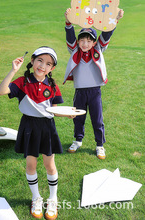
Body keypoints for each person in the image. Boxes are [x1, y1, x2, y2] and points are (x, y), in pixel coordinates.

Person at [0, 47, 64, 219]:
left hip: (47, 127)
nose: (43, 66)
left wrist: (68, 114)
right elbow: (1, 91)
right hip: (28, 126)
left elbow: (55, 111)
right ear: (32, 60)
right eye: (40, 60)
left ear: (52, 68)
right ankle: (36, 198)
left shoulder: (53, 85)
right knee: (31, 165)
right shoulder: (22, 82)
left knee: (49, 165)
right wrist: (13, 70)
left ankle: (53, 198)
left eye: (48, 64)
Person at [64, 8, 124, 159]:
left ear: (94, 42)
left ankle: (100, 145)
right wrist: (68, 22)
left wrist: (115, 19)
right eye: (82, 41)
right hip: (80, 92)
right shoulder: (74, 51)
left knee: (97, 119)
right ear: (78, 42)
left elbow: (106, 34)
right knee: (78, 118)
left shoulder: (98, 49)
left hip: (95, 91)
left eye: (88, 41)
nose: (85, 44)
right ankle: (78, 140)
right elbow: (70, 38)